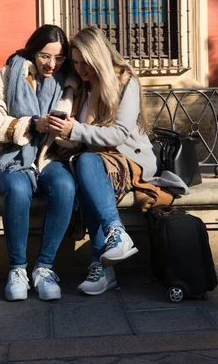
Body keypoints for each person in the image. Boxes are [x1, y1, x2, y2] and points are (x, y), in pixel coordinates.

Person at [47, 26, 189, 296]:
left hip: (128, 158)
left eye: (84, 62)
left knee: (87, 165)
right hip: (97, 160)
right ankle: (107, 259)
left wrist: (74, 130)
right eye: (75, 63)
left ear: (98, 56)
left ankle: (103, 260)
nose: (80, 69)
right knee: (85, 165)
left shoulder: (125, 81)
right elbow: (83, 138)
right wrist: (61, 132)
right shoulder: (81, 87)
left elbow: (120, 133)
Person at [0, 25, 77, 302]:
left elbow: (76, 130)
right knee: (19, 189)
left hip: (47, 156)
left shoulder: (67, 82)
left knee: (65, 186)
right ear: (34, 50)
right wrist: (31, 124)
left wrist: (64, 130)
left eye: (59, 58)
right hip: (8, 158)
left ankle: (44, 268)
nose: (52, 64)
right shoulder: (10, 74)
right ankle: (18, 269)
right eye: (46, 56)